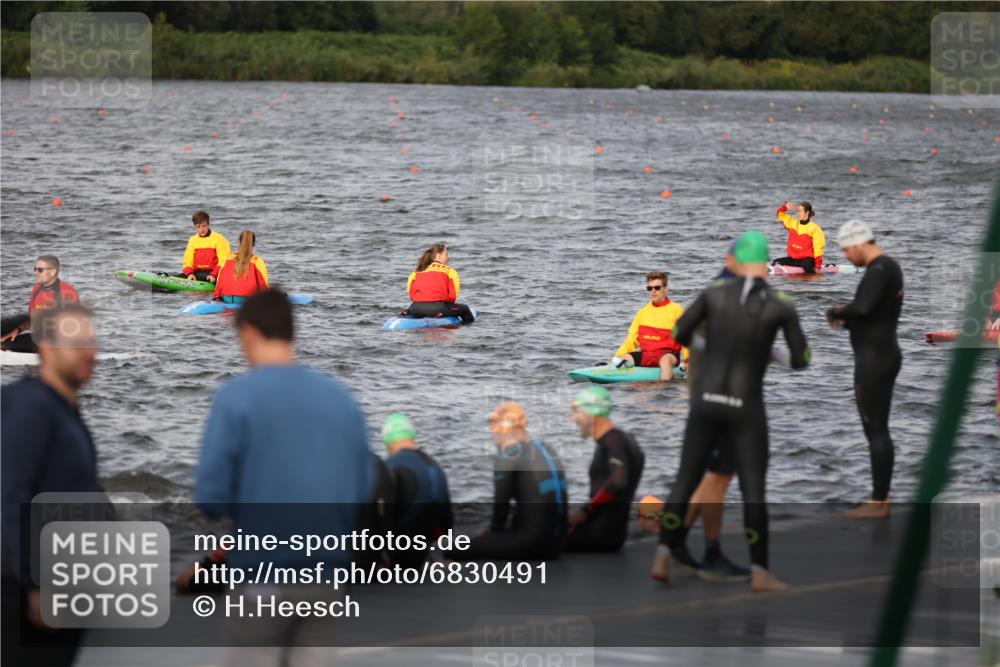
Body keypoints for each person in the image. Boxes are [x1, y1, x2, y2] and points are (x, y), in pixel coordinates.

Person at [195, 289, 376, 665]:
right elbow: (362, 491)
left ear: (248, 332)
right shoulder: (341, 399)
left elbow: (210, 496)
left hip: (261, 572)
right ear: (292, 333)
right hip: (326, 573)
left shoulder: (236, 397)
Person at [651, 231, 811, 593]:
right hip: (744, 406)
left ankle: (662, 556)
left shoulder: (712, 293)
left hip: (705, 399)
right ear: (766, 264)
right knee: (753, 489)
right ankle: (760, 573)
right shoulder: (780, 302)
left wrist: (713, 344)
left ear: (734, 262)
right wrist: (770, 353)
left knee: (685, 478)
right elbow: (802, 360)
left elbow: (679, 331)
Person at [2, 305, 101, 667]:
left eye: (91, 341)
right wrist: (33, 585)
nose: (88, 351)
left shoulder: (63, 409)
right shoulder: (30, 408)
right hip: (23, 595)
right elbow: (10, 495)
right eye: (76, 343)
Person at [675, 240, 752, 582]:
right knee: (716, 477)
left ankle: (671, 547)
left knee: (709, 476)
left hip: (705, 398)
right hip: (715, 402)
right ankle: (707, 552)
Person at [826, 220, 904, 520]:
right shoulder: (890, 268)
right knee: (877, 428)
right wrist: (850, 319)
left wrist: (835, 312)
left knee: (876, 429)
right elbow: (874, 312)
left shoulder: (878, 270)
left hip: (875, 359)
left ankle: (878, 502)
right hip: (883, 353)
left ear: (860, 243)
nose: (845, 256)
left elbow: (864, 307)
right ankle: (882, 497)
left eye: (846, 250)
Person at [454, 402, 567, 561]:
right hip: (557, 544)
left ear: (501, 428)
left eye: (493, 428)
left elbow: (501, 507)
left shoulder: (508, 455)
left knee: (455, 548)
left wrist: (490, 536)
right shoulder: (547, 448)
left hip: (532, 546)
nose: (492, 435)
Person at [565, 386, 644, 552]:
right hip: (608, 533)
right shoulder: (620, 440)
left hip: (599, 535)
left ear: (592, 411)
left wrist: (585, 511)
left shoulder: (614, 439)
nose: (573, 418)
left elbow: (618, 481)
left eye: (577, 411)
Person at [381, 413, 453, 568]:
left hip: (393, 559)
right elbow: (446, 526)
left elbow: (379, 518)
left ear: (388, 441)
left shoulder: (391, 467)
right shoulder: (435, 466)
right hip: (419, 557)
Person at [611, 271, 687, 380]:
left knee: (665, 361)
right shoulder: (642, 312)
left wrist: (687, 360)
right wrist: (618, 357)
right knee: (620, 360)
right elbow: (631, 340)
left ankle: (665, 391)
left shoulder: (676, 310)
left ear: (666, 289)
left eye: (657, 288)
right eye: (650, 288)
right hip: (647, 355)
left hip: (668, 355)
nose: (653, 291)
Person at [1, 255, 80, 353]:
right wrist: (17, 330)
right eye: (35, 269)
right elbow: (30, 319)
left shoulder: (67, 292)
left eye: (40, 270)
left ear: (53, 272)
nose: (36, 273)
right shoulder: (36, 289)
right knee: (3, 341)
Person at [405, 243, 475, 324]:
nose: (448, 258)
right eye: (446, 255)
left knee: (412, 308)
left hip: (416, 309)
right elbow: (453, 295)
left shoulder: (417, 271)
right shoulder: (450, 271)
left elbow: (411, 293)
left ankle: (405, 315)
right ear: (438, 256)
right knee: (465, 309)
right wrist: (447, 307)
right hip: (438, 308)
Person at [213, 230, 269, 303]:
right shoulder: (257, 261)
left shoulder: (227, 259)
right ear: (254, 244)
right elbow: (264, 285)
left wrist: (216, 297)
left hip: (227, 298)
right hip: (246, 300)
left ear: (239, 242)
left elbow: (219, 281)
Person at [772, 201, 826, 274]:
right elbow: (780, 214)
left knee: (806, 266)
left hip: (808, 260)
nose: (798, 213)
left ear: (807, 212)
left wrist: (817, 266)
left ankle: (813, 279)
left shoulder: (815, 228)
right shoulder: (792, 223)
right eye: (797, 211)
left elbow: (818, 247)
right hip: (794, 259)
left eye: (800, 211)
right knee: (775, 262)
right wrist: (785, 207)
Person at [180, 210, 231, 283]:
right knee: (176, 277)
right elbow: (187, 261)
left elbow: (224, 261)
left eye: (204, 226)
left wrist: (214, 274)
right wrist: (189, 273)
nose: (201, 230)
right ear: (195, 227)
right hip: (196, 274)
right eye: (198, 227)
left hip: (213, 274)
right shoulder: (192, 240)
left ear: (208, 224)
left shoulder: (219, 239)